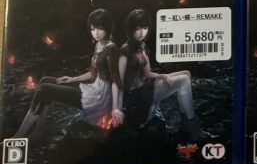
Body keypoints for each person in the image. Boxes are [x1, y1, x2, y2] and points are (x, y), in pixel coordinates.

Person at [13, 9, 123, 140]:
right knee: (45, 81)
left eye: (100, 28)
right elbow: (92, 73)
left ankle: (18, 137)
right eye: (93, 29)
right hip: (93, 88)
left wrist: (116, 108)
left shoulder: (111, 49)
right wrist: (72, 79)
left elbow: (115, 79)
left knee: (44, 89)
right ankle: (38, 130)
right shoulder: (99, 45)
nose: (96, 33)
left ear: (108, 28)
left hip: (100, 98)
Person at [118, 9, 213, 139]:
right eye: (137, 28)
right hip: (137, 96)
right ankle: (193, 127)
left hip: (147, 87)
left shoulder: (142, 46)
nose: (141, 32)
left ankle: (184, 123)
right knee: (184, 80)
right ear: (131, 29)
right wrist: (118, 108)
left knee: (186, 73)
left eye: (145, 28)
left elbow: (147, 73)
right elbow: (119, 81)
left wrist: (161, 76)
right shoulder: (125, 49)